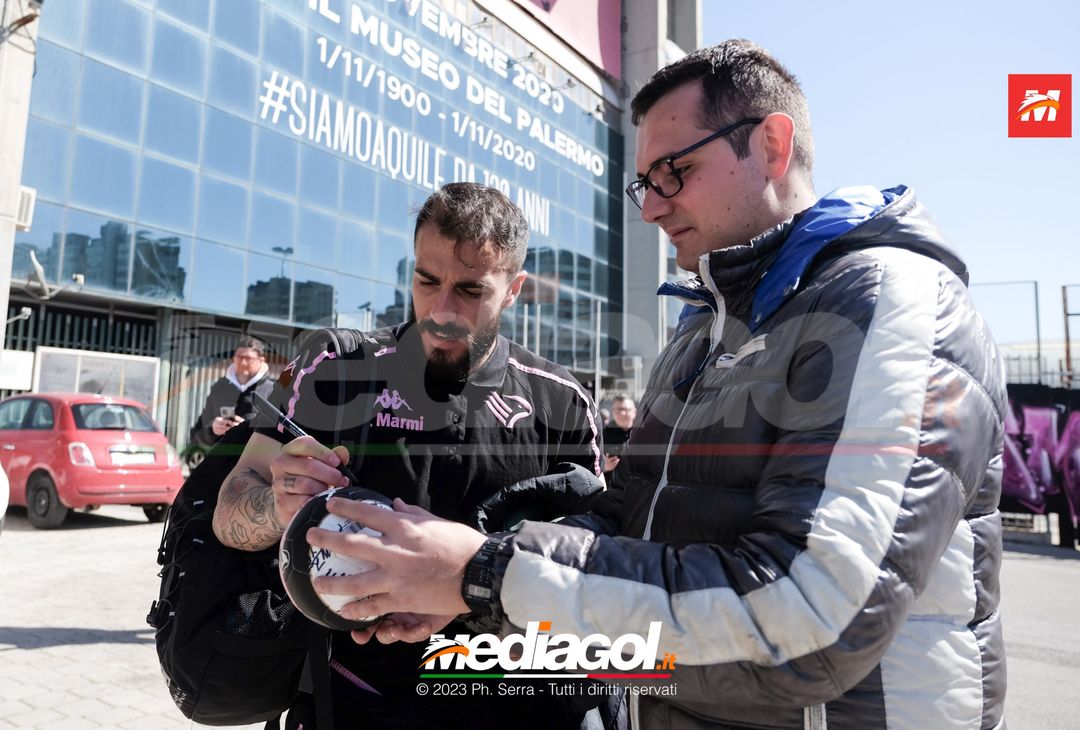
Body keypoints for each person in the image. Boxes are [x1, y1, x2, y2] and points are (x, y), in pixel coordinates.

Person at [305, 40, 1008, 730]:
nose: (651, 208)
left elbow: (812, 617)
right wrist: (469, 590)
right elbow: (628, 522)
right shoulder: (702, 327)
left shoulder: (887, 300)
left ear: (771, 143)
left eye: (673, 171)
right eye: (645, 183)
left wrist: (485, 573)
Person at [212, 183, 610, 729]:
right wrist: (278, 504)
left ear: (514, 289)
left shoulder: (561, 402)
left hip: (517, 709)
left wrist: (473, 593)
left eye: (471, 290)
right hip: (350, 705)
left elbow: (596, 580)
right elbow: (229, 514)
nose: (442, 310)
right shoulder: (334, 366)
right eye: (427, 281)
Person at [188, 335, 274, 449]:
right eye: (239, 357)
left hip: (252, 462)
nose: (243, 363)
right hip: (220, 460)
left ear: (261, 360)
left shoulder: (273, 390)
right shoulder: (220, 387)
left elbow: (278, 437)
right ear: (233, 358)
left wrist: (246, 430)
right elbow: (195, 436)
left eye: (248, 358)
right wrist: (212, 430)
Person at [602, 393, 636, 473]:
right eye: (618, 410)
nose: (622, 413)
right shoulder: (602, 436)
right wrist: (604, 467)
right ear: (612, 411)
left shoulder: (643, 434)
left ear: (634, 412)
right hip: (611, 483)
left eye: (626, 409)